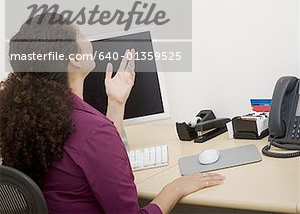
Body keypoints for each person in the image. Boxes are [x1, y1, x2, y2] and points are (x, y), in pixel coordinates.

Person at [0, 13, 225, 214]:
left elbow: (93, 152)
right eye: (80, 33)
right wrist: (174, 188)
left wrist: (116, 103)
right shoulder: (92, 131)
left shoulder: (31, 121)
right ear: (74, 58)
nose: (87, 39)